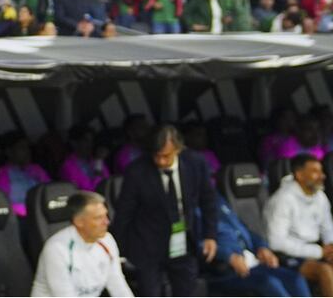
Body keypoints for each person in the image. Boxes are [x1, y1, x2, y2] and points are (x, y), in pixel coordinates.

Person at [111, 125, 218, 297]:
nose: (160, 161)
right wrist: (119, 251)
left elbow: (208, 201)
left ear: (178, 149)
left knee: (187, 291)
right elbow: (124, 212)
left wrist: (210, 235)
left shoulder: (195, 163)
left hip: (183, 241)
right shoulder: (137, 170)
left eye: (166, 156)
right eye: (157, 155)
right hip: (147, 245)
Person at [266, 154, 333, 297]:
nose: (322, 176)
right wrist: (318, 252)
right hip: (288, 256)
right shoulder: (282, 199)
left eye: (321, 171)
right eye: (315, 172)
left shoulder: (320, 196)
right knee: (324, 270)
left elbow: (328, 227)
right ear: (299, 175)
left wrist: (332, 244)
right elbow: (276, 242)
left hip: (318, 251)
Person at [199, 192, 311, 297]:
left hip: (252, 262)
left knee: (296, 279)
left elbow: (244, 230)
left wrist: (262, 247)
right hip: (224, 271)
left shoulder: (216, 199)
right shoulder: (193, 207)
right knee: (269, 282)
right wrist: (229, 256)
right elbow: (197, 245)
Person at [31, 191, 133, 297]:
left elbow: (117, 283)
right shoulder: (56, 249)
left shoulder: (107, 240)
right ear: (79, 222)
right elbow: (64, 294)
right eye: (98, 218)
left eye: (105, 215)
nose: (107, 222)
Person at [0, 133, 50, 217]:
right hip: (20, 217)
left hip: (45, 212)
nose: (27, 152)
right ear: (9, 152)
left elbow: (50, 190)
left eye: (28, 148)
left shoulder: (37, 169)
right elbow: (3, 203)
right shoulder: (2, 174)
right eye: (22, 148)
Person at [60, 124, 110, 191]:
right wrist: (98, 165)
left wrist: (98, 161)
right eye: (86, 141)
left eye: (91, 141)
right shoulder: (68, 167)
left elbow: (108, 183)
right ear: (74, 143)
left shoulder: (96, 160)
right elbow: (89, 191)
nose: (90, 144)